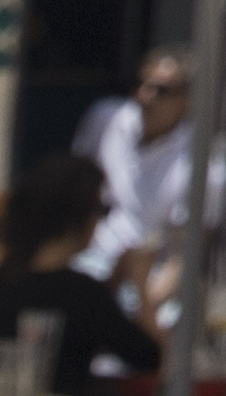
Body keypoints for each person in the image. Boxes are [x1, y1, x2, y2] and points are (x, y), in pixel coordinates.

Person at [0, 151, 163, 396]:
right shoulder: (81, 294)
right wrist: (140, 284)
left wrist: (112, 284)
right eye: (100, 210)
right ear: (80, 217)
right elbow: (152, 358)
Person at [78, 50, 199, 293]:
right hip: (90, 264)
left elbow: (182, 256)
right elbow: (75, 194)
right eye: (141, 84)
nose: (146, 96)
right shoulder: (106, 120)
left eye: (161, 90)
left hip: (145, 281)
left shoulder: (199, 162)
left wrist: (147, 311)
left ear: (186, 102)